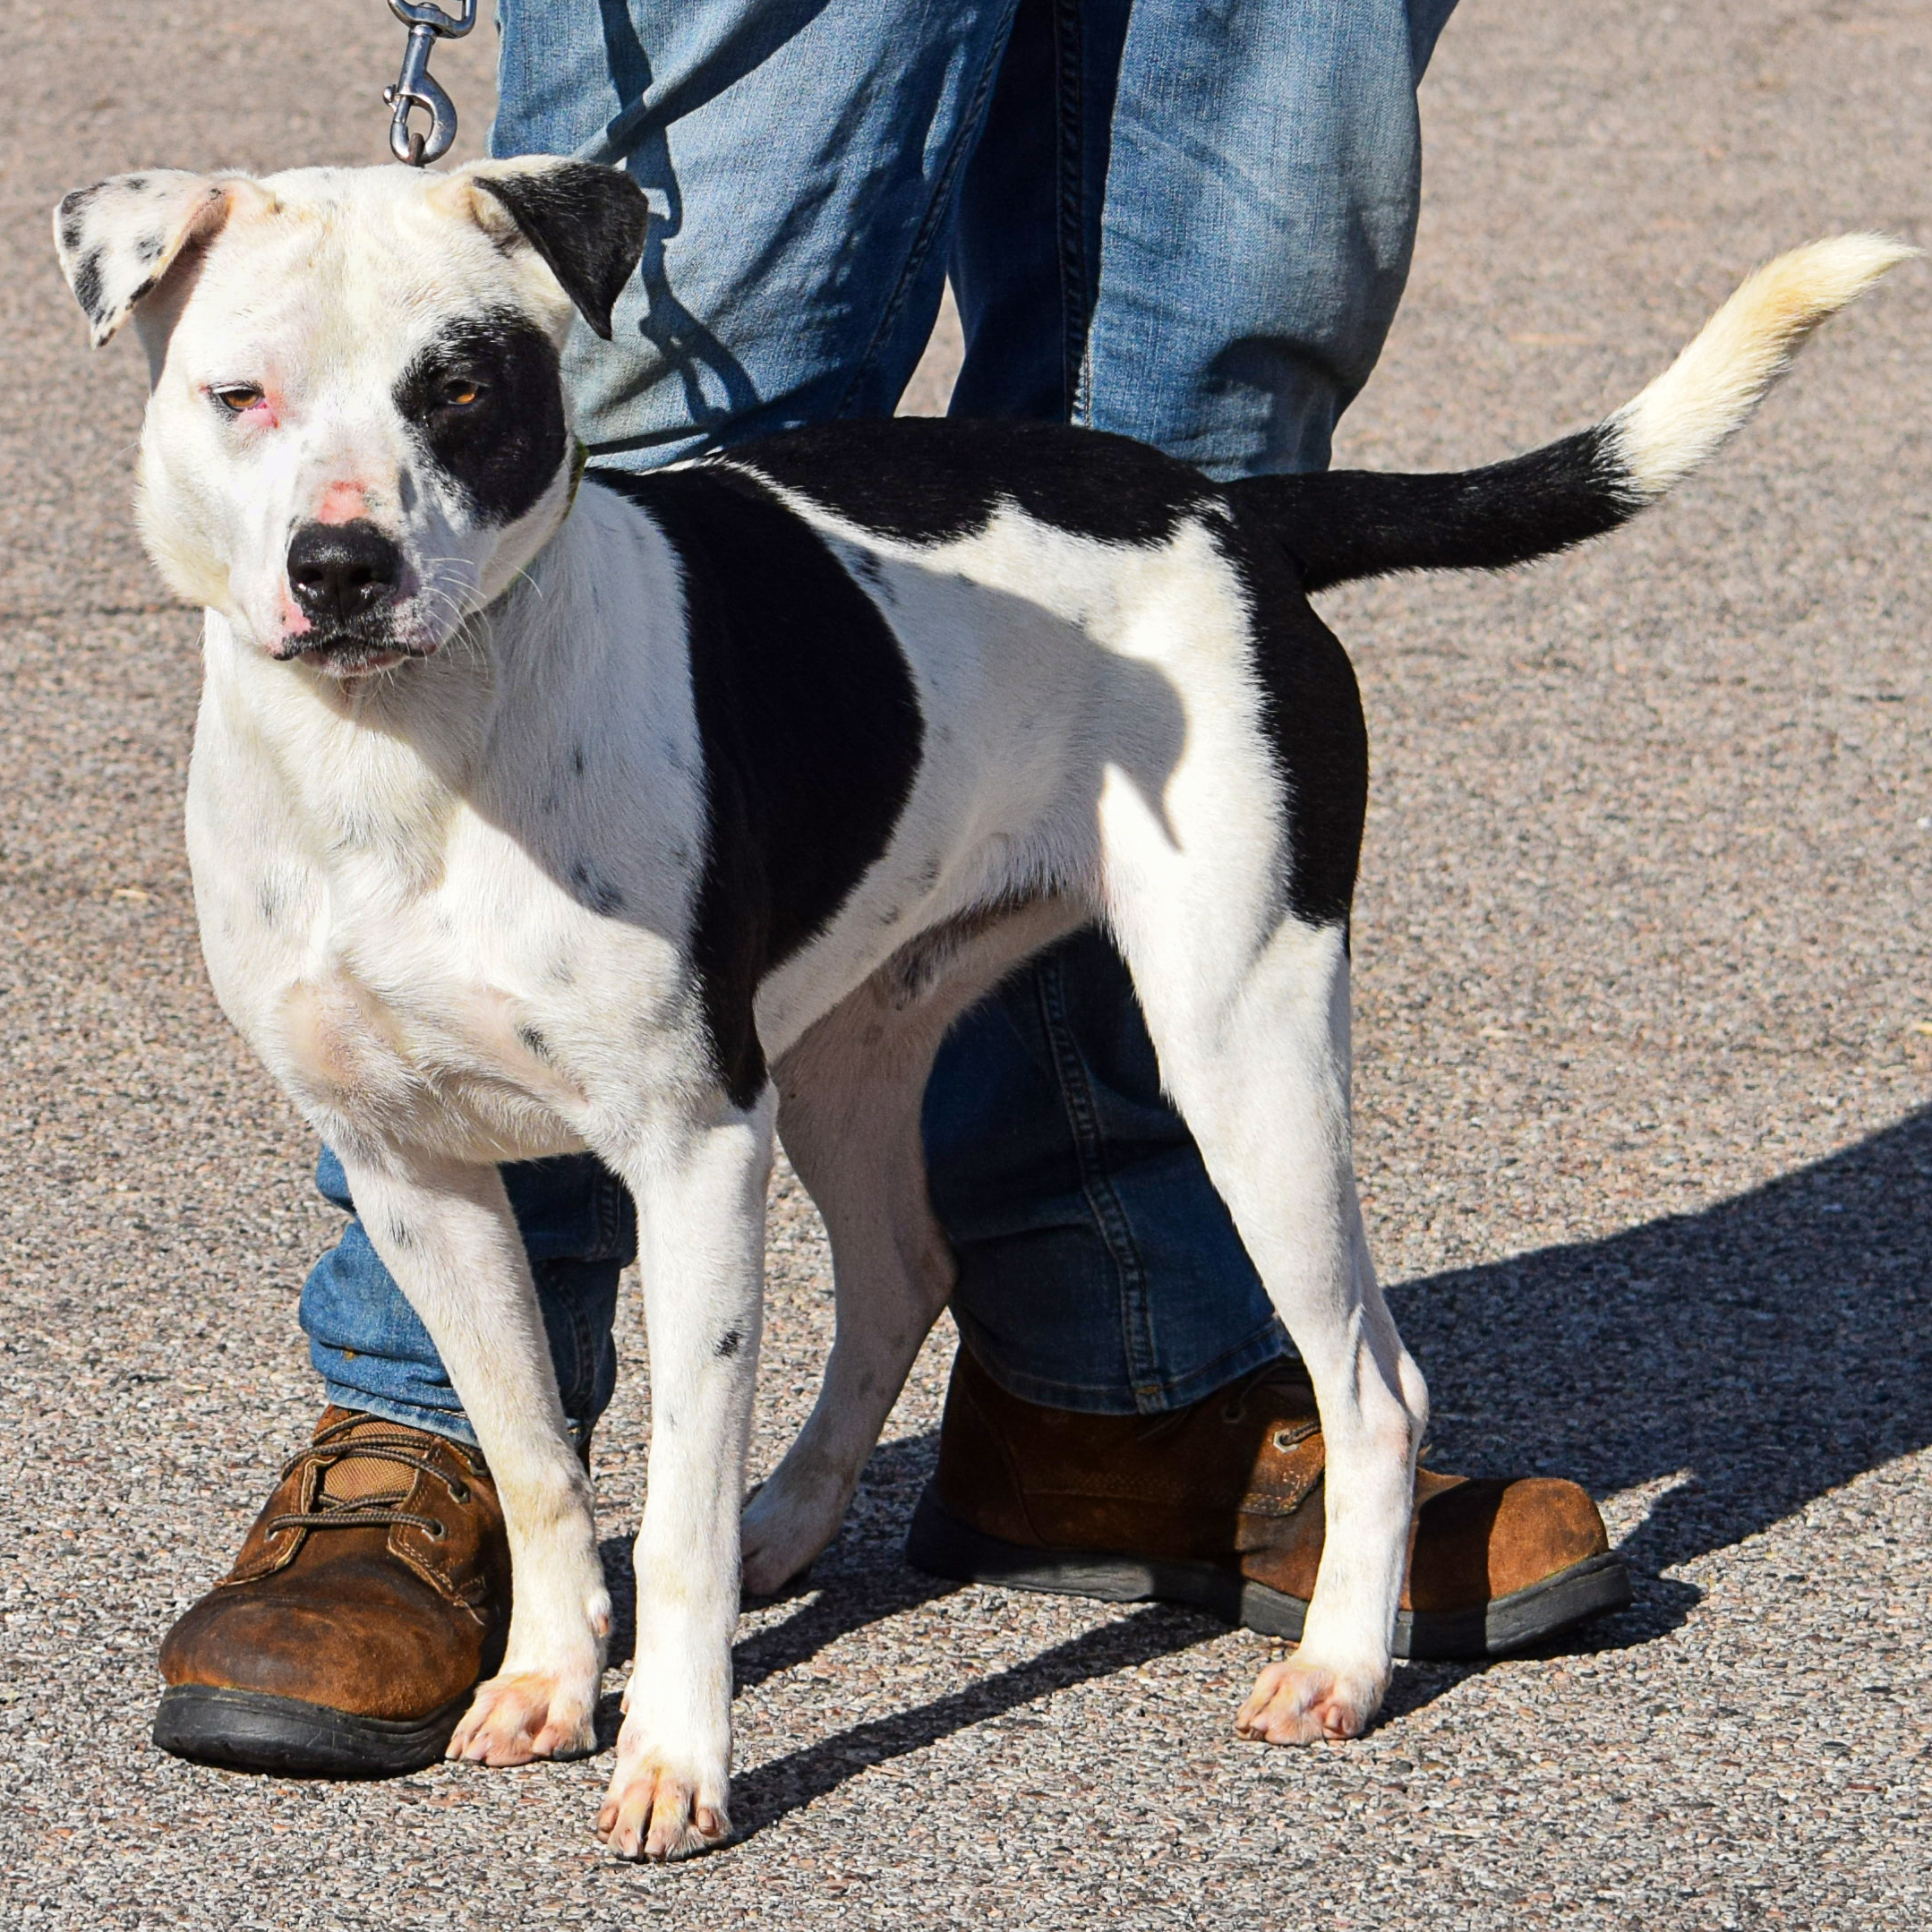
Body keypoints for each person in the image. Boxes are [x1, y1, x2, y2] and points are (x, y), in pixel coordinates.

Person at [155, 0, 1620, 1778]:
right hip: (677, 654)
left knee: (1215, 307)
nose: (341, 513)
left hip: (1128, 654)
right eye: (242, 399)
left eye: (440, 395)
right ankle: (435, 1441)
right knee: (738, 274)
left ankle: (1156, 1385)